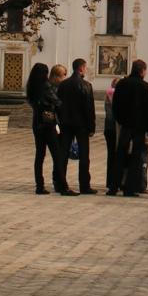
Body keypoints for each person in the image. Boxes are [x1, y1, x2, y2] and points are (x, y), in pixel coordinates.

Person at [109, 59, 148, 197]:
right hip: (139, 128)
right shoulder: (145, 86)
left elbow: (115, 106)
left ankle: (114, 186)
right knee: (136, 157)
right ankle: (130, 188)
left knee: (120, 155)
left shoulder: (122, 84)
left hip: (126, 126)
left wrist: (120, 120)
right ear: (142, 71)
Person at [26, 63, 73, 195]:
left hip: (37, 123)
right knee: (57, 155)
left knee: (39, 155)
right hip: (48, 123)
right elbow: (56, 102)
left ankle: (39, 185)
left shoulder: (31, 86)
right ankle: (63, 186)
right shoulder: (45, 86)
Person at [57, 57, 96, 194]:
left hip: (66, 124)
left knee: (63, 154)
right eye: (85, 67)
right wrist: (92, 127)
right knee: (84, 155)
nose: (86, 70)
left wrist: (60, 121)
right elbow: (89, 109)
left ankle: (61, 184)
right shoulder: (86, 85)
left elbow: (58, 105)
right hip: (82, 125)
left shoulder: (63, 85)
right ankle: (84, 185)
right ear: (81, 68)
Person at [103, 76, 121, 193]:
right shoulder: (116, 95)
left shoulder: (107, 95)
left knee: (110, 155)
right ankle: (116, 181)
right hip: (116, 129)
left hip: (108, 128)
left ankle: (110, 181)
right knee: (117, 155)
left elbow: (108, 114)